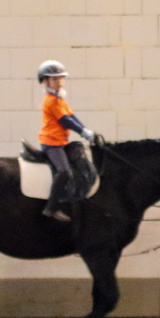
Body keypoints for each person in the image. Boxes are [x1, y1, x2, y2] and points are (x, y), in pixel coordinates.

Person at [36, 60, 96, 222]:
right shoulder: (50, 100)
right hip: (51, 143)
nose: (59, 82)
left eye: (61, 78)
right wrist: (82, 131)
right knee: (64, 171)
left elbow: (71, 116)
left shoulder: (59, 99)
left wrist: (85, 130)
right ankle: (51, 207)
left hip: (60, 142)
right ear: (45, 81)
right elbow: (65, 121)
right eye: (55, 79)